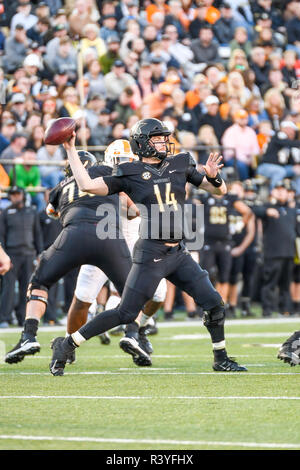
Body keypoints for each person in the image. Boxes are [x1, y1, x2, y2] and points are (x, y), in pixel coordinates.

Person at [49, 118, 247, 376]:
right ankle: (66, 344)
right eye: (158, 138)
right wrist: (71, 150)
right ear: (143, 143)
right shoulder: (129, 172)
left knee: (214, 303)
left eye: (165, 137)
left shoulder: (181, 162)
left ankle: (220, 357)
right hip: (151, 253)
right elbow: (87, 185)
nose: (165, 142)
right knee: (125, 313)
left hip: (178, 252)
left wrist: (214, 177)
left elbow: (218, 191)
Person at [4, 151, 134, 364]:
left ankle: (29, 335)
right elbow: (132, 210)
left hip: (74, 236)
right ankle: (83, 339)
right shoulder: (106, 171)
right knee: (131, 299)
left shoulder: (60, 186)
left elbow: (51, 212)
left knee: (39, 282)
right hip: (110, 237)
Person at [0, 186, 43, 327]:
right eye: (12, 195)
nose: (15, 197)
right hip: (11, 254)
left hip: (28, 253)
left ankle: (22, 318)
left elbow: (37, 234)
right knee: (9, 287)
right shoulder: (5, 213)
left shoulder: (32, 212)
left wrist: (39, 253)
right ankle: (4, 318)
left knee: (27, 287)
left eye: (17, 194)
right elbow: (2, 236)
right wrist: (4, 256)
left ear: (23, 195)